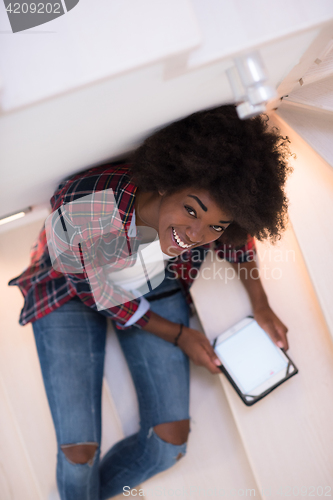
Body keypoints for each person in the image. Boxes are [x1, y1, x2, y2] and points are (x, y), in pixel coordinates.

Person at [9, 105, 292, 499]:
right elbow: (97, 293)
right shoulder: (85, 205)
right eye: (191, 210)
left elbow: (238, 241)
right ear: (165, 183)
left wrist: (260, 304)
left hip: (149, 283)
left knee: (169, 442)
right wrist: (178, 335)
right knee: (79, 454)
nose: (195, 233)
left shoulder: (209, 226)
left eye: (215, 225)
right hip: (68, 287)